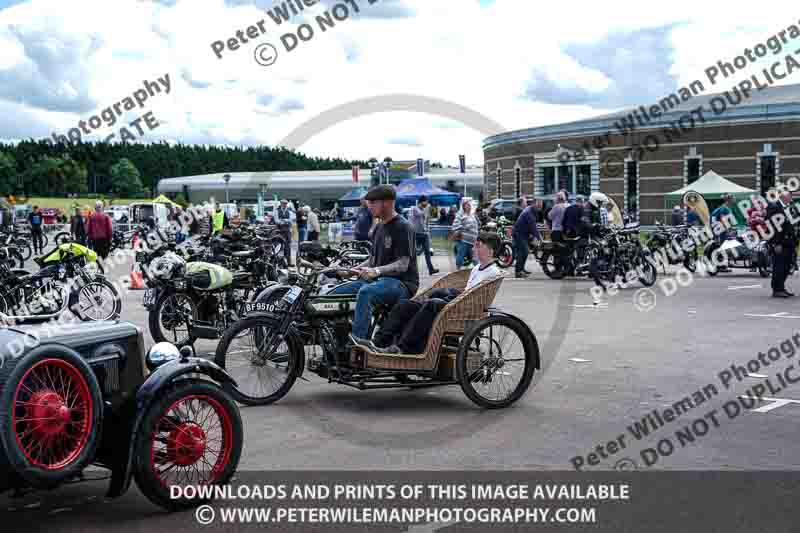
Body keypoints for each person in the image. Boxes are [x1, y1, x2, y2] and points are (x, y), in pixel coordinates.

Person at [355, 232, 502, 354]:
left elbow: (474, 296)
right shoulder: (476, 268)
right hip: (457, 302)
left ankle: (401, 347)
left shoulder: (492, 272)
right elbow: (465, 291)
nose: (474, 248)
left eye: (479, 246)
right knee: (405, 305)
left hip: (465, 310)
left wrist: (445, 295)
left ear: (490, 251)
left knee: (432, 303)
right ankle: (378, 342)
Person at [331, 185, 418, 349]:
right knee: (335, 293)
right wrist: (349, 271)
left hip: (402, 283)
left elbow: (403, 264)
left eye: (372, 202)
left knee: (366, 293)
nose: (368, 205)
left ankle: (357, 346)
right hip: (379, 280)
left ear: (386, 203)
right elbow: (372, 259)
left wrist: (376, 271)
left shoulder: (402, 226)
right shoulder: (379, 227)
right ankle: (338, 341)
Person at [767, 191, 797, 298]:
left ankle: (781, 287)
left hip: (789, 241)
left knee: (787, 266)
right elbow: (774, 227)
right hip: (780, 242)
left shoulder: (788, 207)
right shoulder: (774, 207)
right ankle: (777, 289)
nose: (791, 198)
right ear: (783, 196)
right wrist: (776, 243)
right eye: (789, 196)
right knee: (779, 266)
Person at [408, 195, 438, 276]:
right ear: (422, 201)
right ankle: (410, 269)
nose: (427, 203)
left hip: (423, 234)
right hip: (416, 234)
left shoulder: (423, 209)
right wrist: (426, 210)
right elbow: (419, 214)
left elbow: (425, 221)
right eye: (426, 201)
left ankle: (431, 269)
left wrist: (427, 230)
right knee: (413, 252)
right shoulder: (414, 209)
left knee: (427, 252)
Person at [512, 198, 541, 278]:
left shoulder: (530, 210)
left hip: (523, 234)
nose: (539, 208)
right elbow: (533, 227)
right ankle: (518, 272)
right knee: (523, 252)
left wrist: (536, 236)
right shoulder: (528, 212)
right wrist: (538, 238)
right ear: (533, 204)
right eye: (538, 206)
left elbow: (533, 225)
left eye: (540, 206)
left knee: (525, 251)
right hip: (519, 234)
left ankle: (521, 269)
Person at [451, 199, 479, 269]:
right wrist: (466, 227)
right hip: (463, 240)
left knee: (475, 257)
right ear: (464, 206)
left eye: (470, 205)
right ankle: (458, 270)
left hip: (473, 241)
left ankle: (479, 271)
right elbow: (455, 226)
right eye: (468, 205)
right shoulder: (460, 215)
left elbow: (476, 225)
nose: (469, 206)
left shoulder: (472, 215)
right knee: (460, 255)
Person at [275, 198, 296, 266]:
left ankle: (289, 262)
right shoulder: (276, 211)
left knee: (288, 247)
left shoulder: (290, 211)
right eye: (283, 203)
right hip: (279, 231)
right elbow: (276, 220)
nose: (284, 205)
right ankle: (278, 262)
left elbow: (291, 220)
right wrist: (286, 221)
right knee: (278, 247)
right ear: (280, 204)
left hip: (287, 231)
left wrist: (283, 220)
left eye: (285, 204)